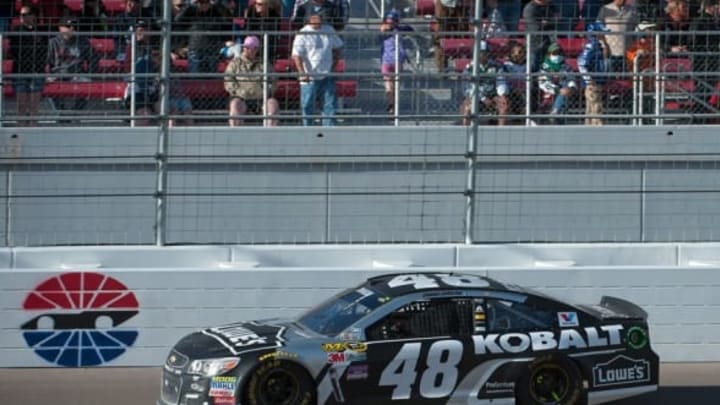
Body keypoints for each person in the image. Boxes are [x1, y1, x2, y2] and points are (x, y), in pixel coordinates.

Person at [291, 12, 343, 127]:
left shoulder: (329, 30)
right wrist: (302, 72)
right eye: (314, 17)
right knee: (307, 105)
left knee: (329, 104)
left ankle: (329, 130)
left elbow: (338, 47)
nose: (317, 20)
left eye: (319, 17)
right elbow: (296, 55)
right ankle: (307, 129)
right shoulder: (302, 33)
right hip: (309, 76)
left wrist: (334, 66)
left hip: (327, 74)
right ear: (309, 19)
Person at [224, 35, 280, 127]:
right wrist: (237, 91)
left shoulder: (264, 63)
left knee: (273, 104)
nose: (246, 49)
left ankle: (270, 136)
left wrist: (267, 90)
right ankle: (236, 136)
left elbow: (273, 80)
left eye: (249, 47)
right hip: (241, 97)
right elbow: (228, 79)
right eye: (245, 46)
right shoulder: (235, 63)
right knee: (235, 105)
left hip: (262, 97)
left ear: (256, 49)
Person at [47, 18, 96, 119]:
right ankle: (61, 112)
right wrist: (48, 74)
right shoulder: (53, 42)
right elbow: (47, 61)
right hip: (58, 72)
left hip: (77, 72)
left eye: (73, 27)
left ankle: (75, 113)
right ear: (60, 28)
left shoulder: (83, 41)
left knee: (86, 82)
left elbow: (93, 57)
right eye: (68, 27)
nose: (71, 29)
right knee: (50, 83)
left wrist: (89, 73)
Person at [9, 5, 48, 126]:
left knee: (34, 106)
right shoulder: (16, 30)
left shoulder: (41, 31)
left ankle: (33, 128)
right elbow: (14, 50)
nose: (22, 17)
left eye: (25, 14)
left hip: (37, 70)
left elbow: (44, 51)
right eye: (21, 14)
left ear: (33, 16)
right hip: (20, 70)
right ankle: (20, 129)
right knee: (21, 106)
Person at [459, 40, 508, 126]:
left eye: (485, 52)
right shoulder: (469, 68)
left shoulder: (496, 66)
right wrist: (482, 98)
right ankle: (465, 131)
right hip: (475, 95)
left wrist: (502, 94)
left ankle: (501, 131)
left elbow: (501, 81)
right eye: (480, 52)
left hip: (493, 95)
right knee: (467, 107)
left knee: (503, 106)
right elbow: (467, 88)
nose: (483, 55)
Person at [175, 0, 232, 74]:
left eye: (206, 2)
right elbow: (177, 20)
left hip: (213, 49)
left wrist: (217, 3)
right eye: (200, 2)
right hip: (195, 48)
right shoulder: (191, 10)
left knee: (211, 79)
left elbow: (228, 19)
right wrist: (189, 4)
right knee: (195, 78)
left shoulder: (216, 11)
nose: (203, 5)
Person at [379, 10, 413, 115]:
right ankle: (392, 105)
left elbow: (410, 29)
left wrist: (397, 27)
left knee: (396, 84)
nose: (390, 24)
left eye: (393, 21)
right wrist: (386, 28)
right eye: (388, 21)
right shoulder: (382, 31)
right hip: (386, 61)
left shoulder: (398, 29)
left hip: (397, 61)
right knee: (388, 85)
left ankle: (394, 105)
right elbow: (381, 34)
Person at [577, 22, 610, 125]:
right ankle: (597, 126)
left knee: (592, 107)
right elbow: (581, 63)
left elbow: (606, 56)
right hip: (593, 82)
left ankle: (590, 125)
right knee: (596, 106)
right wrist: (589, 80)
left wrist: (605, 45)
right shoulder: (591, 45)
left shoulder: (599, 45)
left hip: (598, 80)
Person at [538, 43, 578, 123]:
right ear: (549, 55)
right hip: (549, 93)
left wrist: (571, 88)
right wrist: (558, 90)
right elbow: (542, 84)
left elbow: (571, 79)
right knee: (563, 93)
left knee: (565, 90)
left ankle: (555, 113)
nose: (557, 55)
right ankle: (555, 113)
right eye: (555, 53)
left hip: (564, 93)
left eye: (559, 53)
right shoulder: (544, 67)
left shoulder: (566, 66)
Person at [597, 0, 639, 73]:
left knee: (626, 79)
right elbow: (598, 29)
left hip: (627, 52)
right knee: (608, 79)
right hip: (610, 52)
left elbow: (637, 28)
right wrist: (604, 45)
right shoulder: (605, 9)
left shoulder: (632, 10)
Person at [433, 0, 471, 71]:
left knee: (462, 37)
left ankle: (461, 68)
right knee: (441, 37)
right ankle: (442, 69)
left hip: (461, 4)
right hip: (443, 4)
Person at [523, 0, 559, 71]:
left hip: (549, 45)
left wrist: (546, 23)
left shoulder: (551, 6)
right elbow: (536, 28)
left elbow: (557, 21)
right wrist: (549, 22)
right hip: (535, 46)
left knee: (550, 69)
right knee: (533, 70)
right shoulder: (530, 8)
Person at [498, 41, 527, 125]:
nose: (519, 55)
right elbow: (503, 82)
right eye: (518, 52)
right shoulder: (506, 66)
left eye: (522, 52)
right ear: (512, 53)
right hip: (511, 92)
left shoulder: (528, 65)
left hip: (524, 91)